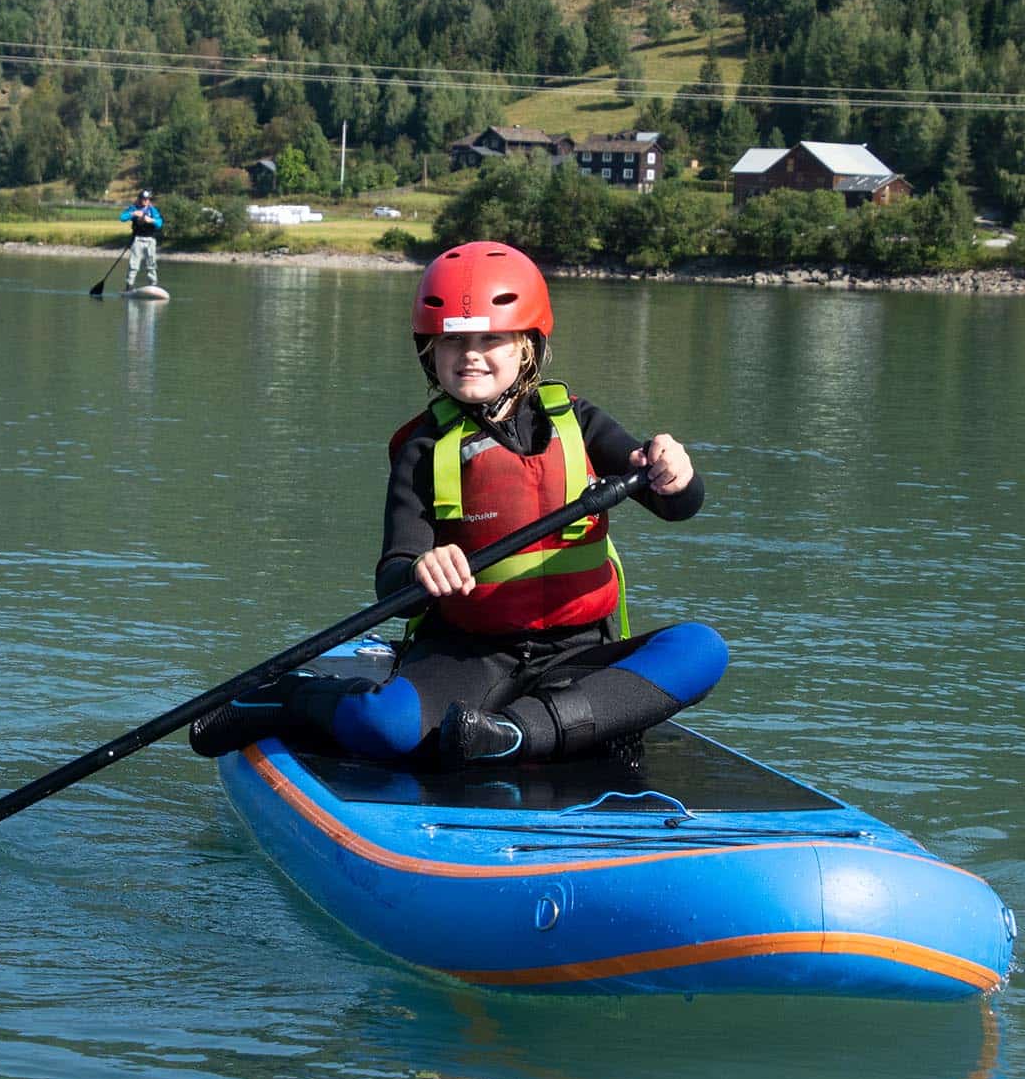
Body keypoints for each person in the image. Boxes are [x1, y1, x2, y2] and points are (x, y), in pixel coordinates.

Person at [192, 240, 727, 767]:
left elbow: (678, 506)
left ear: (526, 345)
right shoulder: (421, 449)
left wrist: (675, 475)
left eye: (491, 337)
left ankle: (514, 734)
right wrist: (421, 570)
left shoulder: (580, 423)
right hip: (471, 654)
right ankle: (288, 696)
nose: (470, 354)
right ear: (430, 350)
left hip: (581, 653)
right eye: (452, 341)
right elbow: (393, 576)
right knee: (387, 727)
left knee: (702, 650)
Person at [118, 188, 163, 290]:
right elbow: (122, 218)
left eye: (147, 199)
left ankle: (153, 284)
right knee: (134, 264)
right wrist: (133, 214)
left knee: (151, 264)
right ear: (139, 199)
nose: (145, 201)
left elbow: (159, 223)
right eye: (143, 199)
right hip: (137, 240)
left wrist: (151, 220)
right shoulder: (133, 208)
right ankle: (129, 285)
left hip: (150, 240)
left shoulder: (153, 210)